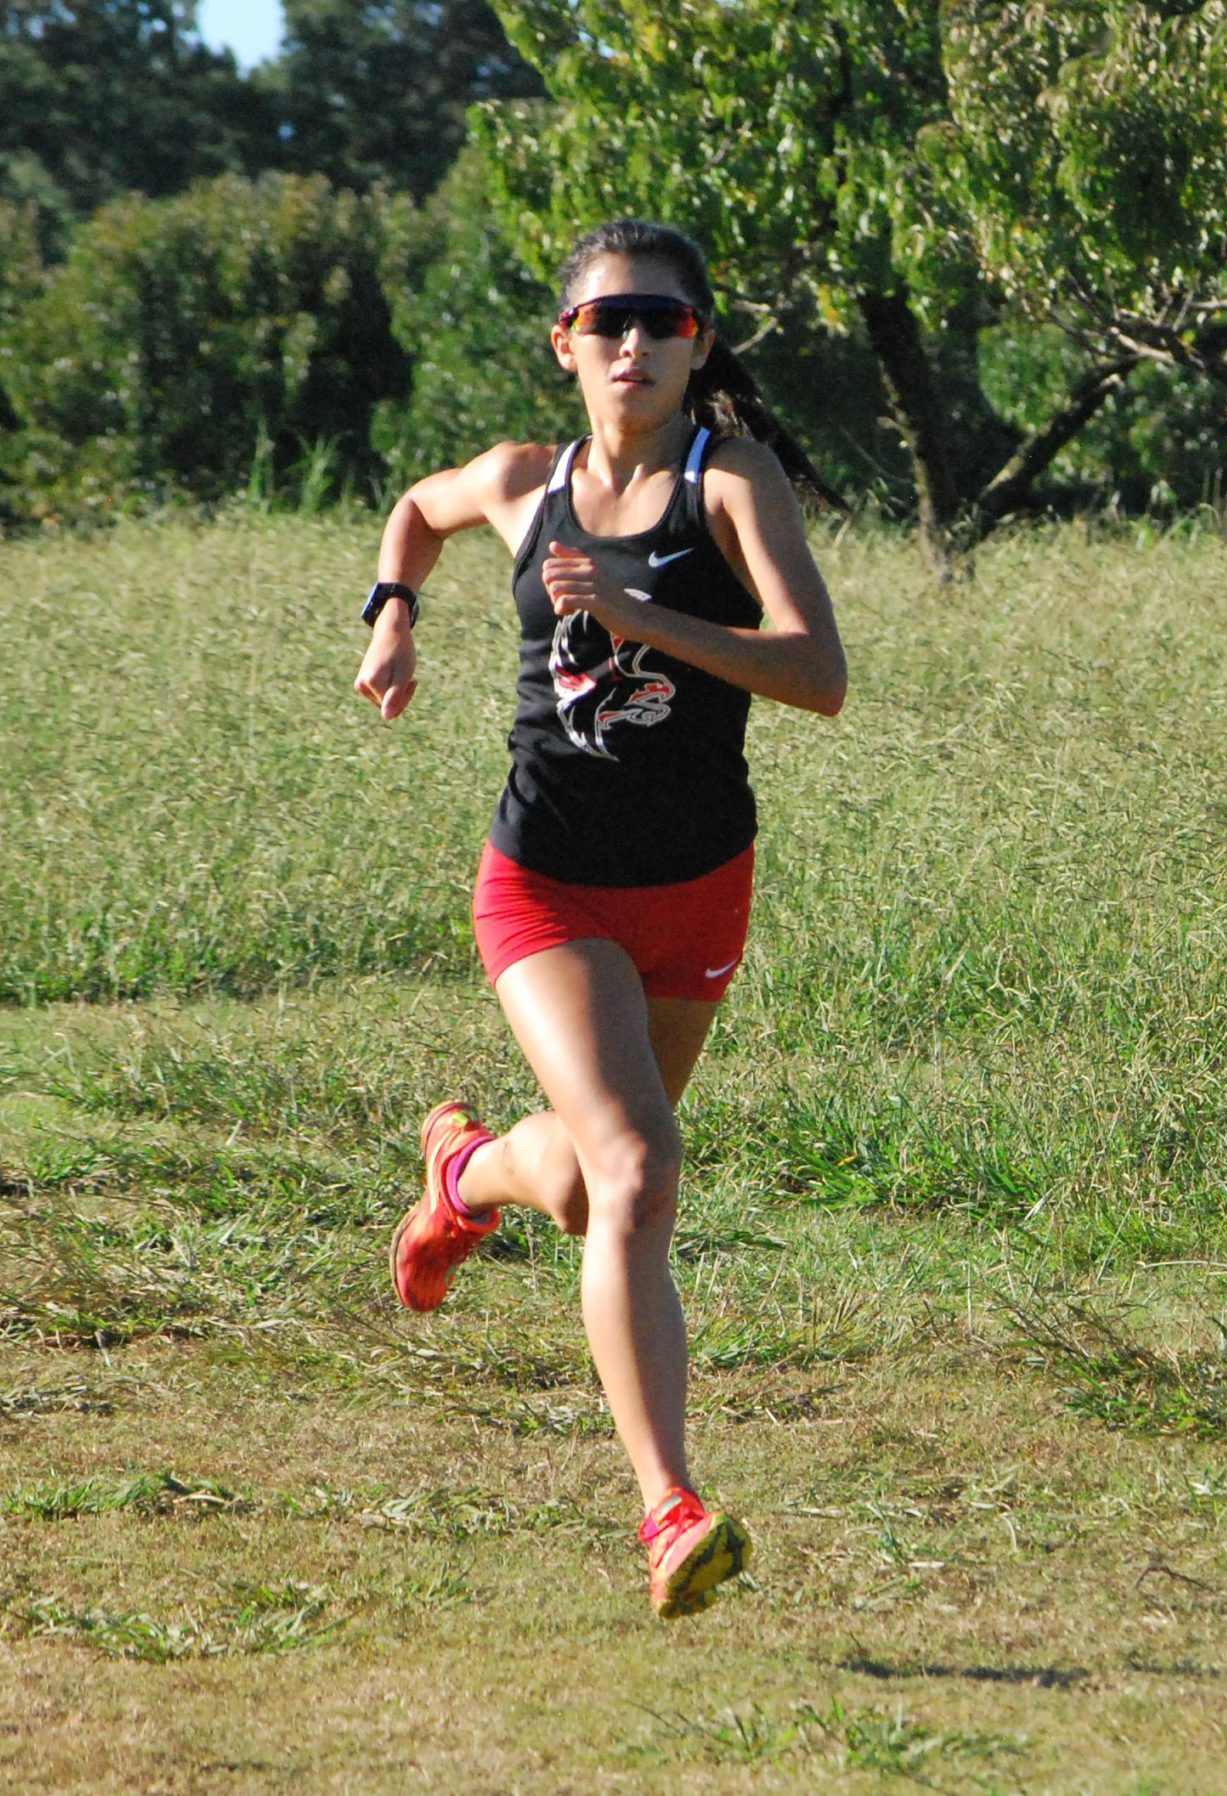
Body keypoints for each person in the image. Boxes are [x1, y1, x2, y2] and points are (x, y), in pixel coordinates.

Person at [351, 219, 847, 1621]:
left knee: (580, 1184)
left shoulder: (730, 483)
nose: (634, 344)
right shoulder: (526, 481)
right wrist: (395, 616)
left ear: (699, 344)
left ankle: (461, 1180)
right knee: (638, 1170)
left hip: (697, 882)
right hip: (548, 883)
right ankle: (667, 1509)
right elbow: (414, 510)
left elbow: (817, 675)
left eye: (664, 322)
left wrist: (643, 611)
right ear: (565, 344)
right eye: (606, 322)